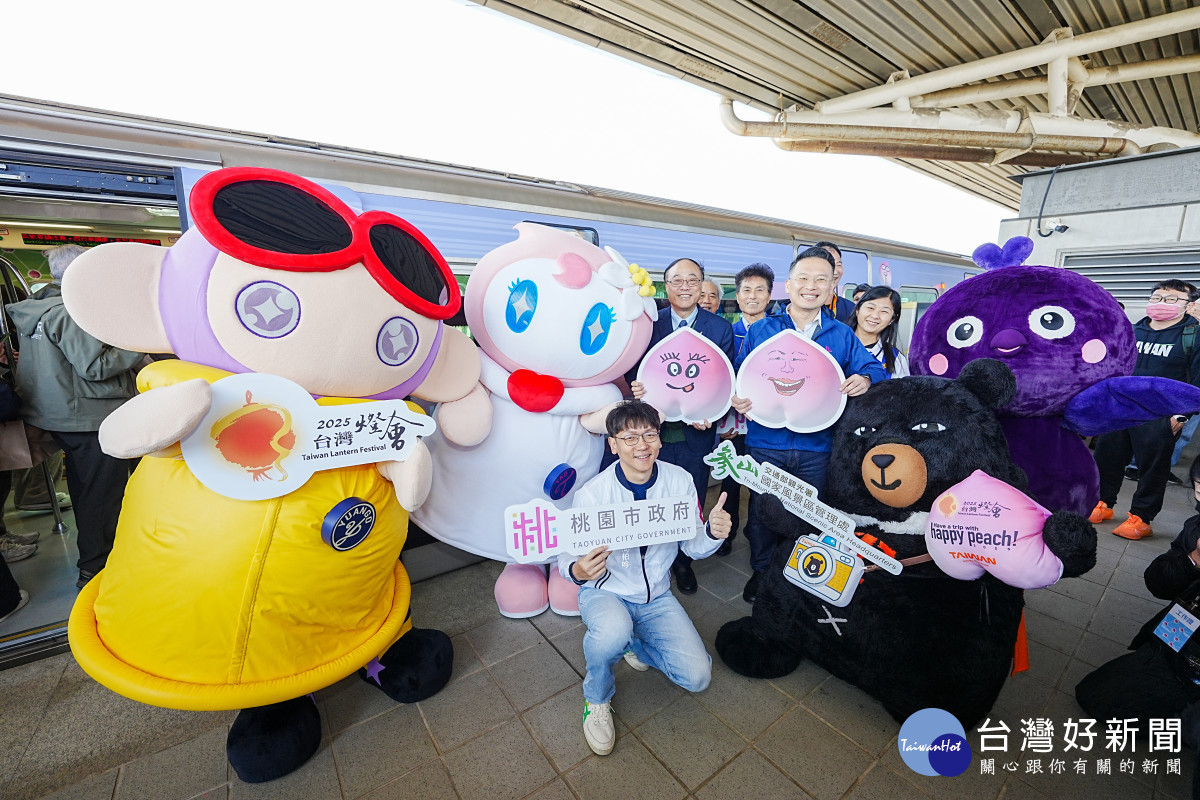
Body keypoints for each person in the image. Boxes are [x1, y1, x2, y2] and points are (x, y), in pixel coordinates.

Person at [560, 399, 731, 756]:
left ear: (660, 439)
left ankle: (635, 644)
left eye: (649, 435)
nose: (642, 445)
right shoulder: (593, 494)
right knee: (609, 635)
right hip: (606, 593)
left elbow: (694, 546)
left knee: (697, 677)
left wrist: (713, 533)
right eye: (630, 437)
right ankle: (597, 698)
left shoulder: (679, 481)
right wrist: (578, 571)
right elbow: (568, 559)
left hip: (656, 596)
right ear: (613, 444)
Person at [730, 246, 886, 602]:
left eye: (821, 279)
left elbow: (874, 369)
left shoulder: (842, 334)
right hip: (766, 441)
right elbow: (742, 375)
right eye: (803, 278)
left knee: (811, 512)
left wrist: (865, 379)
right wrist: (737, 397)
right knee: (762, 511)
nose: (810, 286)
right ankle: (762, 571)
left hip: (818, 445)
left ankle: (799, 572)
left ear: (832, 287)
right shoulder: (763, 329)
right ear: (789, 284)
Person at [6, 245, 144, 588]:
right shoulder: (70, 312)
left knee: (87, 492)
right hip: (89, 416)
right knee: (101, 496)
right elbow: (96, 367)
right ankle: (96, 570)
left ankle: (98, 560)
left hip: (59, 414)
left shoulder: (38, 309)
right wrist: (135, 342)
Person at [1076, 455, 1200, 795]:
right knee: (1095, 694)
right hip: (1179, 641)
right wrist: (1193, 561)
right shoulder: (1196, 528)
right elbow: (1158, 583)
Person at [628, 257, 734, 594]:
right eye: (677, 280)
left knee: (691, 497)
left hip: (696, 433)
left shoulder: (719, 328)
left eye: (692, 280)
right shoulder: (648, 324)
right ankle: (649, 560)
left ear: (702, 285)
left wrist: (713, 413)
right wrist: (635, 387)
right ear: (665, 286)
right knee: (649, 494)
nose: (685, 286)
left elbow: (723, 380)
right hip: (652, 432)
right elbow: (633, 368)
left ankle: (684, 562)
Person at [1089, 280, 1200, 539]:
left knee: (1152, 470)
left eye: (1172, 299)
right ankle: (1102, 503)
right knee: (1106, 460)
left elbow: (1197, 383)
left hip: (1160, 417)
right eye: (1158, 297)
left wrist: (1182, 416)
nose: (1162, 303)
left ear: (1189, 304)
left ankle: (1141, 517)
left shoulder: (1192, 336)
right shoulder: (1132, 331)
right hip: (1120, 411)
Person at [715, 263, 774, 555]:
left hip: (767, 425)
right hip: (732, 425)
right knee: (731, 481)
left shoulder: (781, 334)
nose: (753, 296)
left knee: (762, 484)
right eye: (746, 290)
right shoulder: (726, 333)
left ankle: (757, 537)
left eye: (759, 290)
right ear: (737, 297)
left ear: (770, 296)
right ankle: (725, 534)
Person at [849, 286, 910, 378]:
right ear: (857, 309)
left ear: (892, 320)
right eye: (870, 308)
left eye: (884, 311)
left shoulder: (896, 360)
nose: (875, 316)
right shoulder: (834, 344)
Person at [815, 240, 855, 323]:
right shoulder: (802, 307)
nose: (835, 272)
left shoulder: (851, 309)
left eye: (839, 265)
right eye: (830, 265)